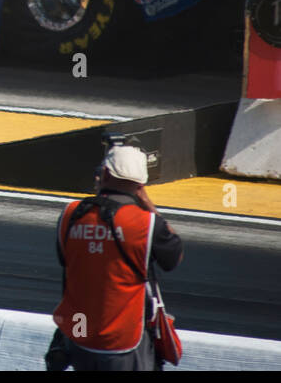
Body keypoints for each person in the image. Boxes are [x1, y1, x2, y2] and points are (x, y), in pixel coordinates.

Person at [51, 144, 183, 371]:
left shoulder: (71, 214)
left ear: (104, 174)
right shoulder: (147, 223)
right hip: (123, 342)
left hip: (79, 337)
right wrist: (148, 204)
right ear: (141, 184)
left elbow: (66, 261)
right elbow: (173, 258)